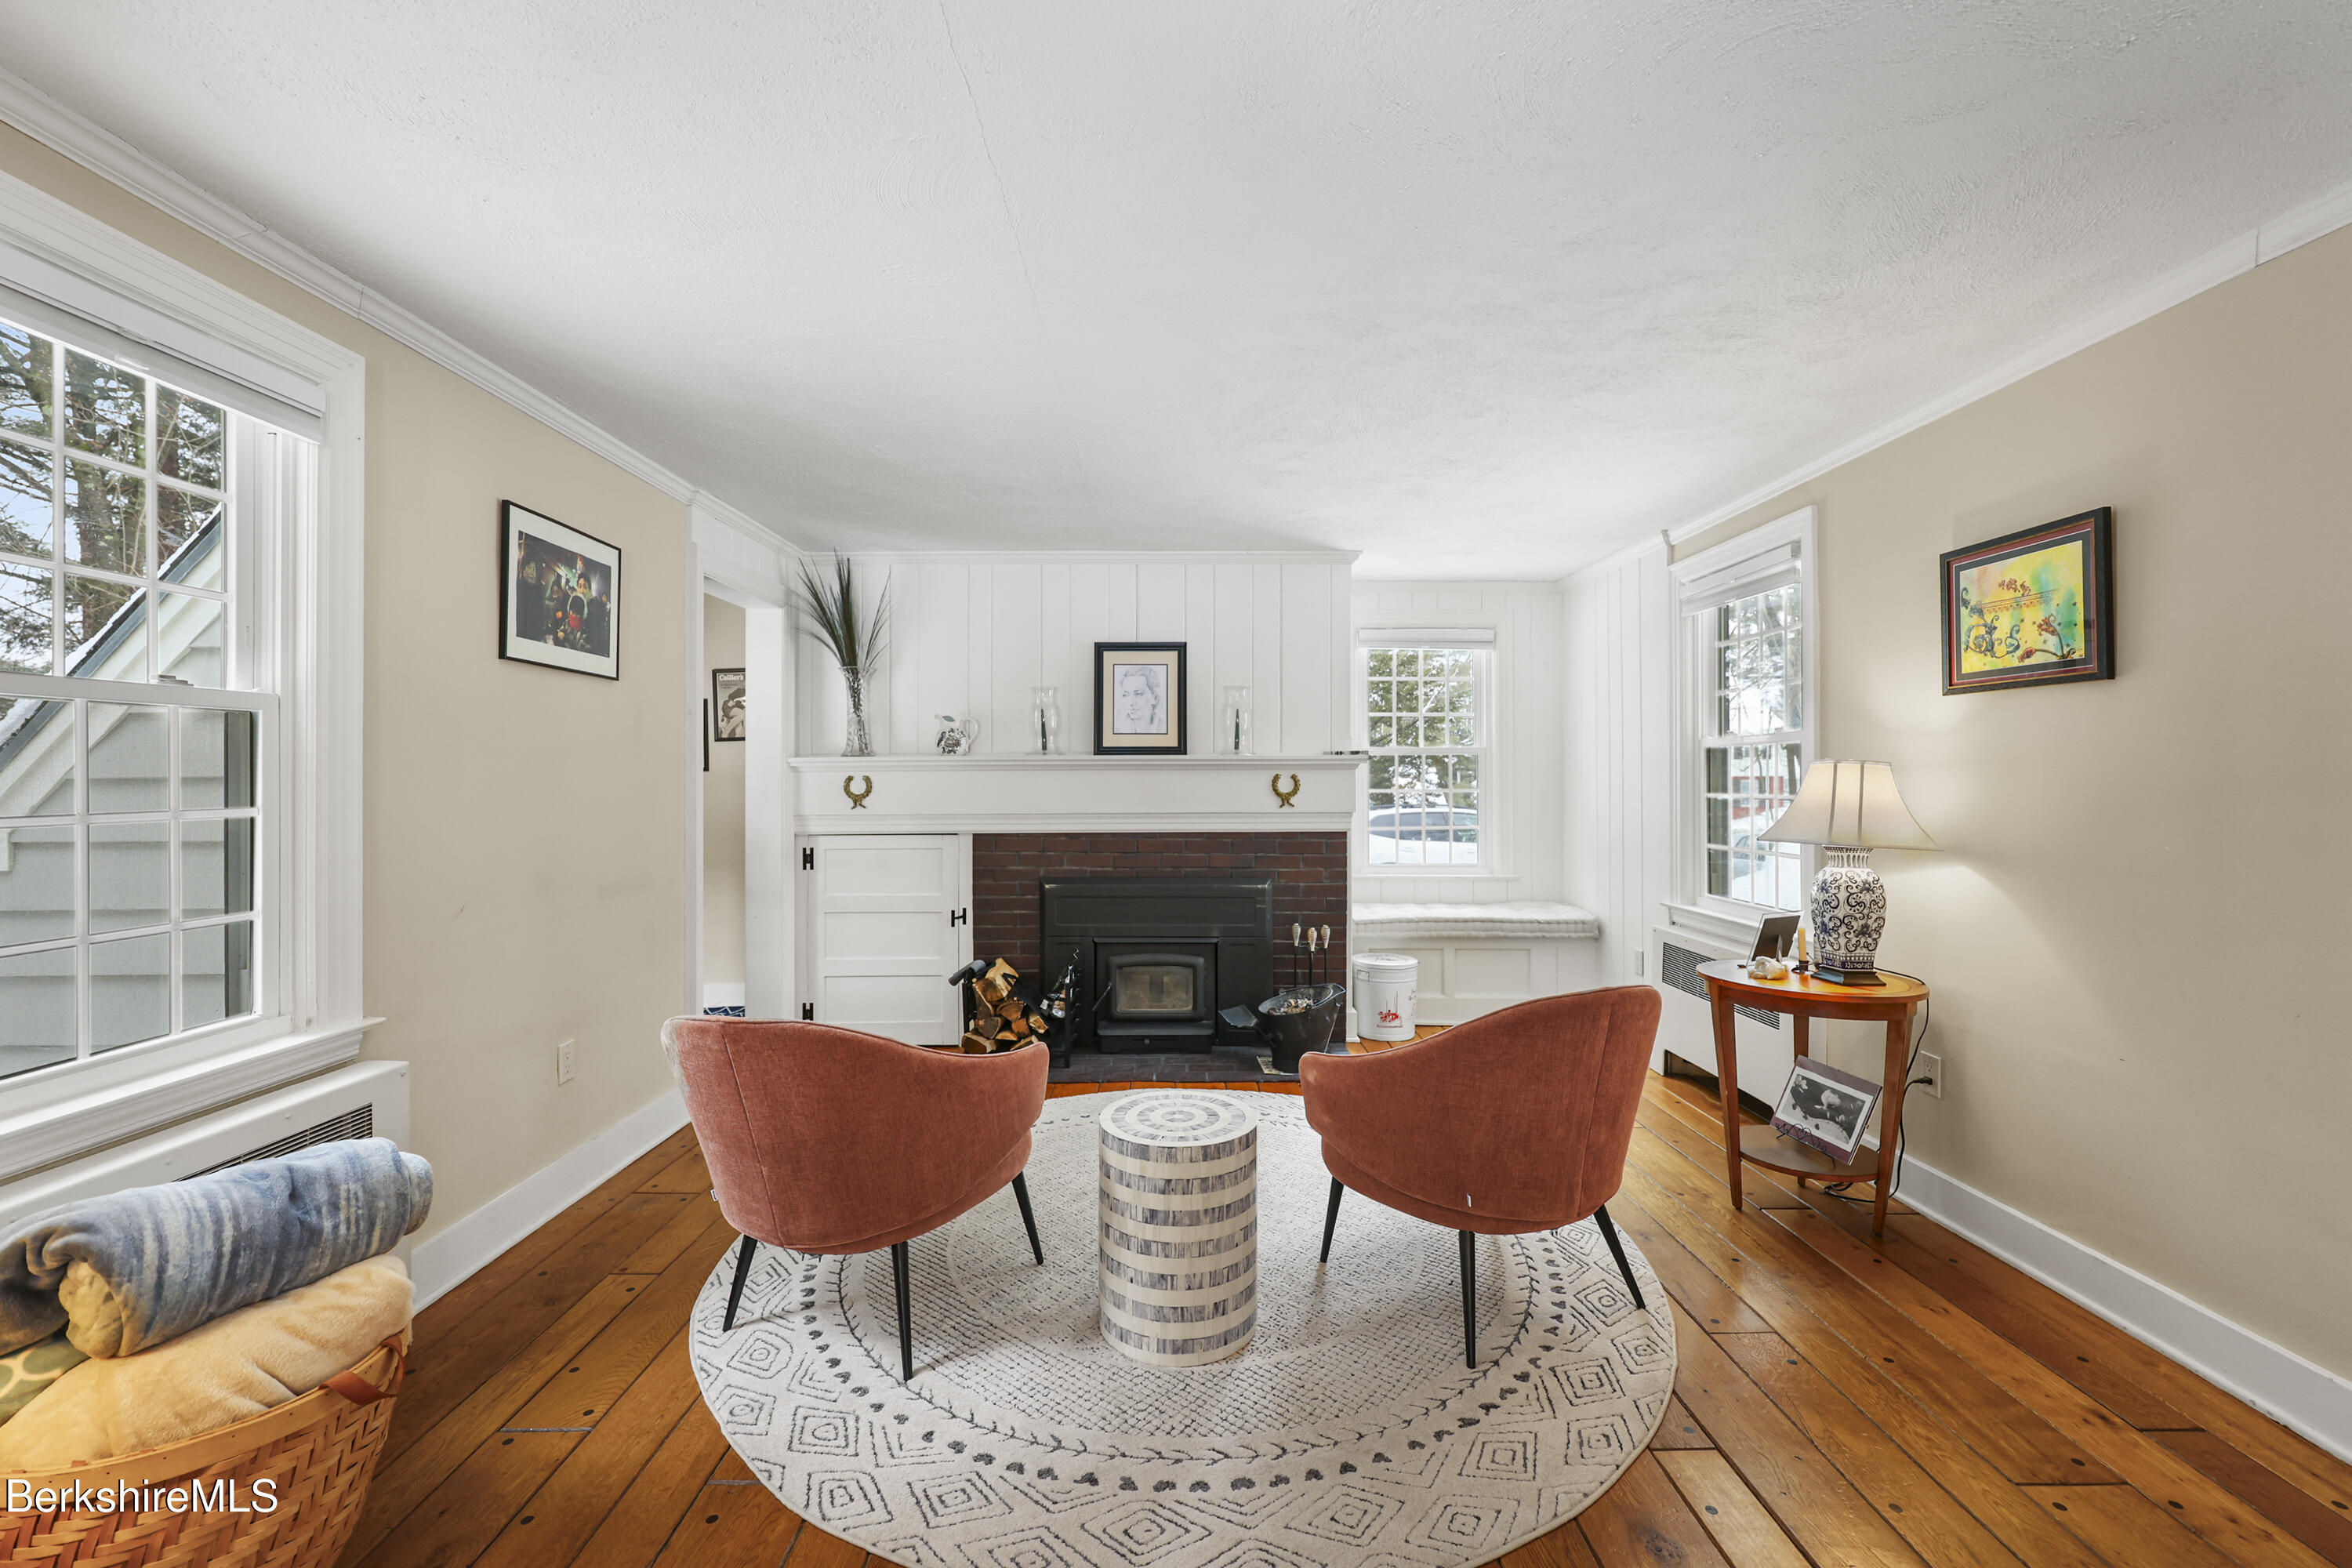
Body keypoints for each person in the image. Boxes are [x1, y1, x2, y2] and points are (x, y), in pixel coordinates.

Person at [1113, 664, 1166, 735]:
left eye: (1138, 694)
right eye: (1125, 695)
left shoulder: (1165, 729)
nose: (1131, 702)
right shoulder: (1117, 730)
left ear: (1154, 698)